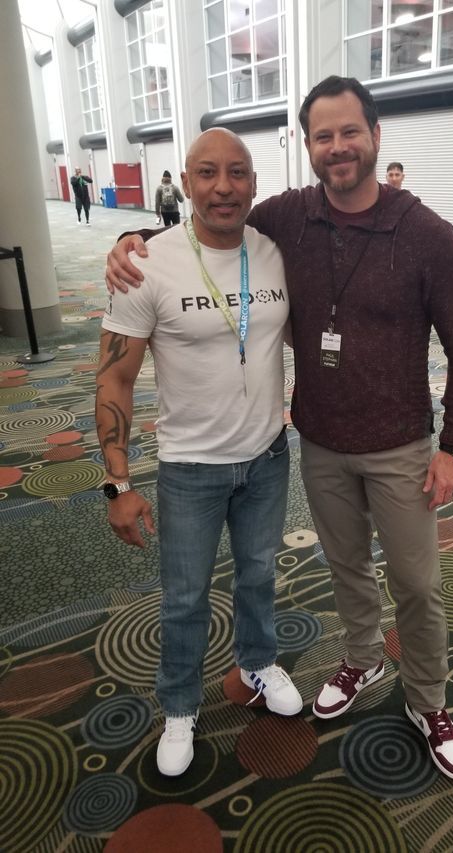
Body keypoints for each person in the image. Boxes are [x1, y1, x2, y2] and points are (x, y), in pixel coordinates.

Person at [105, 76, 453, 783]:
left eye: (349, 132)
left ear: (375, 136)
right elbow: (211, 224)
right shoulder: (289, 217)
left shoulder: (428, 235)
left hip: (403, 442)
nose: (337, 147)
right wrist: (136, 239)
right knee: (343, 568)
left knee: (418, 582)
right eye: (322, 135)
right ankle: (362, 656)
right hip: (317, 443)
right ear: (306, 145)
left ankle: (429, 700)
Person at [95, 128, 302, 779]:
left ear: (253, 183)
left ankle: (257, 662)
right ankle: (180, 705)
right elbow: (114, 379)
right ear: (185, 183)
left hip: (268, 456)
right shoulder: (145, 262)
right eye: (206, 173)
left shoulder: (274, 253)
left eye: (236, 172)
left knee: (259, 574)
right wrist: (116, 482)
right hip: (190, 469)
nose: (222, 186)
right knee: (185, 596)